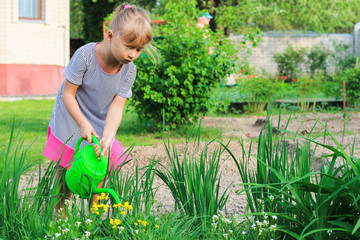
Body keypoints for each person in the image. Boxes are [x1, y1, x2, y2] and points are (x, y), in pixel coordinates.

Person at [42, 3, 155, 214]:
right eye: (129, 46)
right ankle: (60, 218)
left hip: (98, 120)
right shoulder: (85, 56)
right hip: (71, 116)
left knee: (99, 168)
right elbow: (67, 94)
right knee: (66, 172)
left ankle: (92, 221)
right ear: (111, 36)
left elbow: (117, 107)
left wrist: (108, 137)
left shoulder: (129, 70)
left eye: (139, 49)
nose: (133, 54)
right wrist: (82, 124)